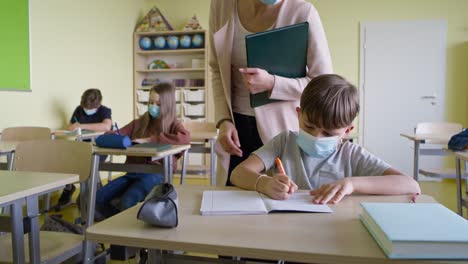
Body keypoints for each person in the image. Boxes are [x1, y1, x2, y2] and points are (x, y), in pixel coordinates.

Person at [231, 74, 421, 204]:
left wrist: (352, 184)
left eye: (329, 134)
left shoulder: (351, 154)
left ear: (348, 130)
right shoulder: (284, 142)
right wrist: (264, 183)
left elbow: (409, 184)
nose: (316, 137)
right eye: (309, 127)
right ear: (298, 115)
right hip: (288, 230)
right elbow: (239, 173)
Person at [209, 0, 333, 185]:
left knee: (278, 200)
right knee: (232, 201)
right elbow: (216, 68)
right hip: (235, 130)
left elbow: (323, 83)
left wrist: (273, 83)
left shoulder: (302, 12)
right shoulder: (221, 5)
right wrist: (223, 120)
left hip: (279, 131)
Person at [95, 83, 190, 218]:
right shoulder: (139, 123)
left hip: (155, 175)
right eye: (150, 102)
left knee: (127, 202)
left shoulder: (173, 124)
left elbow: (185, 138)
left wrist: (149, 140)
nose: (153, 106)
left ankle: (122, 223)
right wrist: (114, 136)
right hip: (132, 172)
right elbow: (118, 133)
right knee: (97, 199)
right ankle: (117, 220)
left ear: (167, 105)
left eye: (158, 104)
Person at [57, 88, 112, 207]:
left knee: (88, 163)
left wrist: (82, 125)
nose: (87, 110)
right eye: (86, 108)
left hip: (99, 148)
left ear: (98, 104)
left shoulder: (104, 111)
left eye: (91, 108)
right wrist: (72, 127)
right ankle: (69, 188)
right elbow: (70, 126)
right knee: (64, 159)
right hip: (81, 146)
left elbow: (107, 126)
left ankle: (95, 195)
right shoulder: (79, 110)